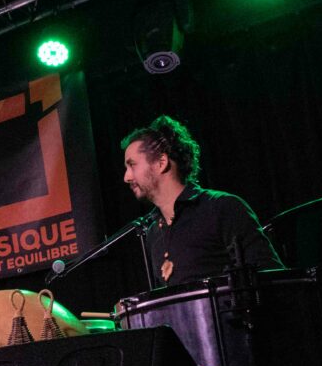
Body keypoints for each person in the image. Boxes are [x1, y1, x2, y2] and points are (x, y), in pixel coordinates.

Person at [121, 115, 283, 286]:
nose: (126, 177)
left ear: (161, 163)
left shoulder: (221, 207)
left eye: (132, 165)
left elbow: (272, 277)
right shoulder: (153, 232)